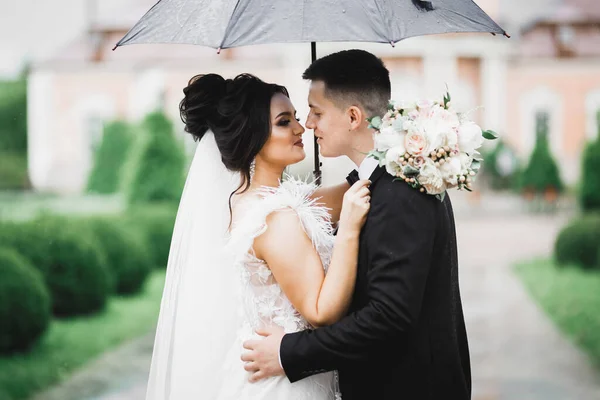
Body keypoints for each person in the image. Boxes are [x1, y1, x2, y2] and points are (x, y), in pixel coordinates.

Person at [242, 49, 472, 400]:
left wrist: (288, 353)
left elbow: (388, 317)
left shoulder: (401, 192)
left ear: (353, 117)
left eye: (316, 112)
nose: (308, 123)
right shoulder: (383, 182)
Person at [144, 72, 370, 400]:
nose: (300, 127)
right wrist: (349, 229)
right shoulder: (275, 219)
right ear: (253, 136)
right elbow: (321, 312)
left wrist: (394, 153)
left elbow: (343, 192)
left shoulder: (247, 201)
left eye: (296, 116)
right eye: (283, 121)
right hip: (287, 384)